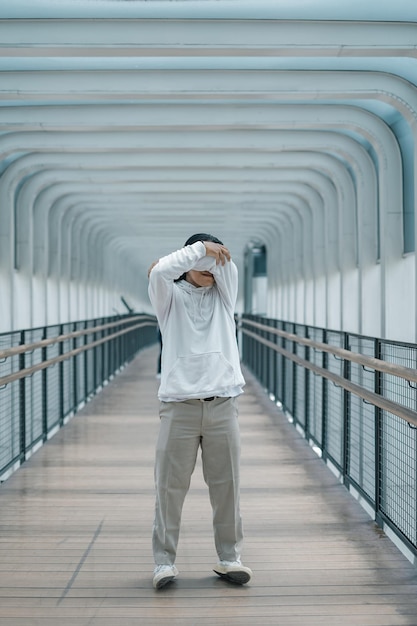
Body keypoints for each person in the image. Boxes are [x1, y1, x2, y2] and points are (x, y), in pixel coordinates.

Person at [147, 233, 252, 590]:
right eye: (208, 257)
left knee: (227, 486)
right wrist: (200, 251)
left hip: (223, 403)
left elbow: (228, 269)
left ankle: (230, 557)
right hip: (179, 408)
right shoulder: (169, 297)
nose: (213, 264)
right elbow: (160, 273)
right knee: (169, 487)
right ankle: (164, 562)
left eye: (217, 257)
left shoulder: (225, 296)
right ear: (188, 260)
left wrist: (207, 256)